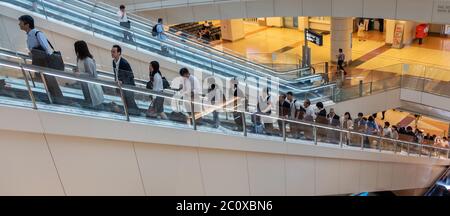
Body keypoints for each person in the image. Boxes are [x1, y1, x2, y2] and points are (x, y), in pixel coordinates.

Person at [19, 15, 64, 103]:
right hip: (38, 61)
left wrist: (47, 62)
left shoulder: (37, 33)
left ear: (27, 24)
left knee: (51, 82)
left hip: (44, 62)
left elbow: (47, 49)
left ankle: (59, 100)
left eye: (20, 22)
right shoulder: (29, 35)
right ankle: (52, 99)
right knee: (46, 82)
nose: (19, 24)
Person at [74, 40, 104, 109]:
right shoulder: (79, 59)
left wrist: (79, 73)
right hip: (85, 84)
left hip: (91, 85)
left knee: (93, 101)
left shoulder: (88, 60)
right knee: (88, 99)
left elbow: (91, 74)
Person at [111, 45, 140, 115]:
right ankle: (130, 114)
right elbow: (116, 74)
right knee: (125, 101)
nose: (112, 53)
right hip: (121, 86)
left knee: (130, 102)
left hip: (128, 86)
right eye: (111, 51)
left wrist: (122, 81)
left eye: (114, 52)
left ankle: (136, 114)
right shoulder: (113, 62)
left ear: (119, 53)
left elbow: (130, 76)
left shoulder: (124, 63)